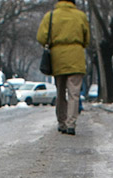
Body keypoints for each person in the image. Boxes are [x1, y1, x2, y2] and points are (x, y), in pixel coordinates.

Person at [36, 0, 90, 135]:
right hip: (76, 57)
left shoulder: (51, 16)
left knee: (60, 92)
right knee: (74, 93)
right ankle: (71, 124)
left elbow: (41, 37)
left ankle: (62, 122)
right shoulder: (80, 16)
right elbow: (87, 39)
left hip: (57, 58)